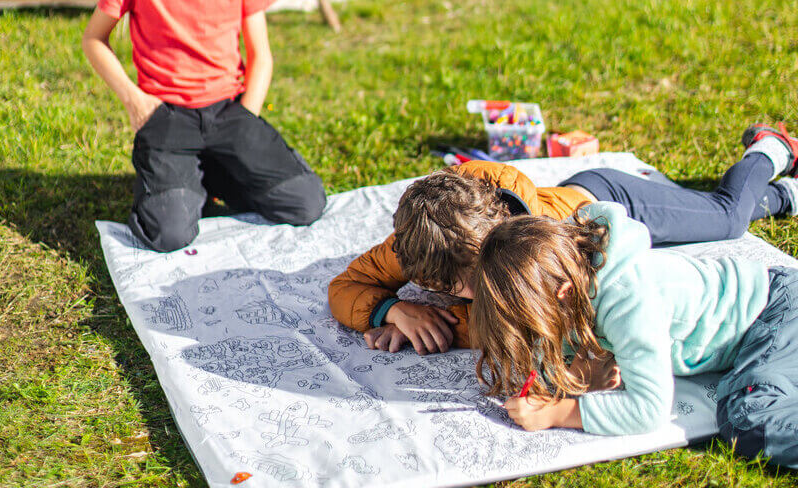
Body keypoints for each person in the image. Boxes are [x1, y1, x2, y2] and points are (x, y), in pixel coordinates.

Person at [329, 125, 798, 354]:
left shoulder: (542, 245)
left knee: (727, 218)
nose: (476, 295)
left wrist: (440, 324)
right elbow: (344, 286)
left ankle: (768, 148)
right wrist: (394, 310)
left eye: (479, 277)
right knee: (719, 214)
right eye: (456, 290)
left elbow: (523, 322)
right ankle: (781, 198)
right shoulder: (414, 247)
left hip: (613, 200)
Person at [82, 0, 325, 252]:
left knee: (306, 203)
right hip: (166, 116)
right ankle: (181, 179)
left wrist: (247, 116)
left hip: (229, 111)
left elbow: (261, 55)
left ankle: (205, 171)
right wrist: (135, 101)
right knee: (169, 234)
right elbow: (93, 40)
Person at [469, 201, 798, 469]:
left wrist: (557, 414)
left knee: (749, 419)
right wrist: (573, 379)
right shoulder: (559, 266)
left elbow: (649, 410)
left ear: (563, 293)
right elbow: (545, 352)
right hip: (769, 313)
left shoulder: (628, 300)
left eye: (530, 323)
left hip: (773, 315)